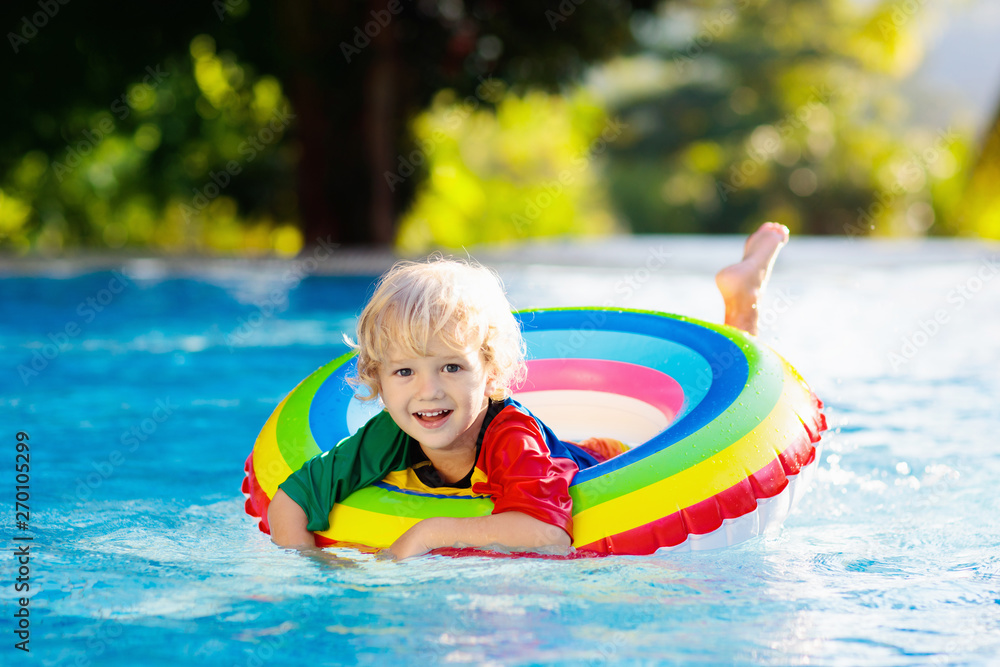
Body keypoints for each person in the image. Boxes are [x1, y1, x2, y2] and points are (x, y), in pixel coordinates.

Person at [267, 222, 790, 559]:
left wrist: (429, 532)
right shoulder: (389, 434)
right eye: (404, 373)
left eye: (451, 367)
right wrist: (316, 574)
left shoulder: (510, 436)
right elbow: (291, 500)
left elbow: (547, 533)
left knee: (722, 393)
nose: (428, 392)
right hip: (548, 459)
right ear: (378, 381)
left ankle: (743, 303)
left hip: (600, 461)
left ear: (490, 371)